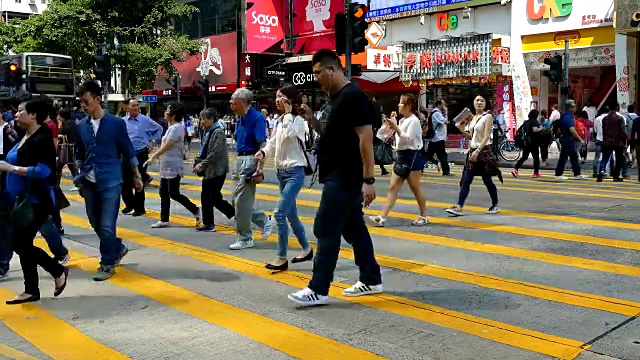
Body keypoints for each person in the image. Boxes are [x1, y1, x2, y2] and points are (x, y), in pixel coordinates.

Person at [288, 49, 382, 306]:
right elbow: (329, 132)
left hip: (345, 175)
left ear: (332, 69)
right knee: (354, 229)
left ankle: (318, 288)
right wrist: (312, 120)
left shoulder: (352, 97)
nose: (315, 77)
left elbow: (365, 138)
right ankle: (371, 278)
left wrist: (369, 179)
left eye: (318, 72)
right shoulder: (334, 98)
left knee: (326, 228)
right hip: (335, 172)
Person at [0, 99, 68, 304]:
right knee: (21, 243)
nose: (16, 115)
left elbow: (44, 170)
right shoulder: (24, 135)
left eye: (21, 111)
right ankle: (31, 290)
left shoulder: (42, 139)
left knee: (19, 243)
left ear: (33, 115)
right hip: (18, 200)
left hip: (35, 201)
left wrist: (11, 169)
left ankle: (56, 270)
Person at [75, 80, 142, 281]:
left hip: (111, 180)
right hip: (88, 180)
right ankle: (118, 247)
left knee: (106, 224)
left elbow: (128, 150)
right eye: (81, 103)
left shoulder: (116, 123)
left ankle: (107, 263)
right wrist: (80, 178)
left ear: (97, 99)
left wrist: (137, 175)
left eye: (86, 102)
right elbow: (79, 153)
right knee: (95, 222)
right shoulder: (81, 126)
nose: (83, 106)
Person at [255, 85, 312, 271]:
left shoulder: (298, 121)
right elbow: (272, 143)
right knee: (291, 215)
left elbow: (290, 134)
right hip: (281, 173)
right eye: (276, 96)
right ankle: (307, 249)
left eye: (281, 97)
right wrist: (263, 152)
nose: (277, 99)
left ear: (290, 101)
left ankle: (281, 258)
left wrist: (288, 114)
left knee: (279, 213)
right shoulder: (279, 121)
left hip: (296, 172)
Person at [369, 93, 428, 227]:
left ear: (409, 106)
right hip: (401, 156)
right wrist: (389, 126)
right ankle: (382, 217)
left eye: (401, 103)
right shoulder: (402, 120)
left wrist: (396, 128)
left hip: (412, 156)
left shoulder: (414, 121)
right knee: (393, 187)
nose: (399, 105)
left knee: (415, 188)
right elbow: (382, 136)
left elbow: (408, 139)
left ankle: (423, 215)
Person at [144, 102, 200, 228]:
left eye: (167, 110)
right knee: (163, 192)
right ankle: (164, 219)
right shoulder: (171, 127)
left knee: (174, 193)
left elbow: (167, 145)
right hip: (166, 164)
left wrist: (153, 156)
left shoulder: (176, 128)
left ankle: (195, 209)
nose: (165, 112)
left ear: (173, 115)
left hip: (173, 165)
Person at [229, 88, 272, 250]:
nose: (231, 102)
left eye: (234, 99)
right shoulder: (240, 118)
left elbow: (262, 145)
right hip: (239, 159)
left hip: (250, 159)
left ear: (244, 102)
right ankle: (263, 220)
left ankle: (245, 237)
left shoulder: (256, 118)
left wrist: (259, 169)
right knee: (236, 200)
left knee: (241, 201)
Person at [446, 95, 502, 217]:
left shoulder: (488, 117)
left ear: (486, 103)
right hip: (472, 152)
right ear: (473, 102)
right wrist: (461, 130)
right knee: (466, 180)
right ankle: (459, 207)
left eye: (482, 100)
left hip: (483, 153)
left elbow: (486, 136)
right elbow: (472, 137)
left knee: (487, 181)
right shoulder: (472, 118)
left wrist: (478, 151)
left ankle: (495, 204)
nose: (479, 102)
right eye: (477, 100)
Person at [193, 108, 235, 232]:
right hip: (210, 170)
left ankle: (209, 224)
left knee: (209, 198)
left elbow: (215, 152)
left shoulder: (218, 132)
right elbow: (205, 151)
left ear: (211, 119)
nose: (201, 122)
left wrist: (202, 164)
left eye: (203, 119)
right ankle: (234, 214)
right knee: (213, 198)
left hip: (216, 170)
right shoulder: (208, 131)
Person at [121, 98, 163, 217]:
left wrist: (152, 141)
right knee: (124, 182)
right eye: (133, 106)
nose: (136, 108)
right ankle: (130, 204)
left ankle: (140, 208)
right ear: (127, 108)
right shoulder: (122, 121)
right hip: (126, 154)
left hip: (140, 153)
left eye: (137, 105)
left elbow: (159, 129)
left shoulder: (145, 120)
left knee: (139, 181)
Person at [554, 100, 587, 180]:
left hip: (568, 138)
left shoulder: (570, 116)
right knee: (564, 156)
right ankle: (558, 174)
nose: (575, 108)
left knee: (573, 156)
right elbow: (572, 130)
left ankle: (577, 173)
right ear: (569, 108)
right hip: (567, 138)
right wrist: (580, 139)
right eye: (573, 106)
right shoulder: (567, 117)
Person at [512, 110, 544, 178]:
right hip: (533, 142)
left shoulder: (527, 121)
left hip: (526, 142)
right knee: (536, 158)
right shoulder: (534, 121)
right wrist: (541, 128)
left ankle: (515, 169)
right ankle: (536, 172)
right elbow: (535, 130)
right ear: (536, 115)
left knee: (524, 157)